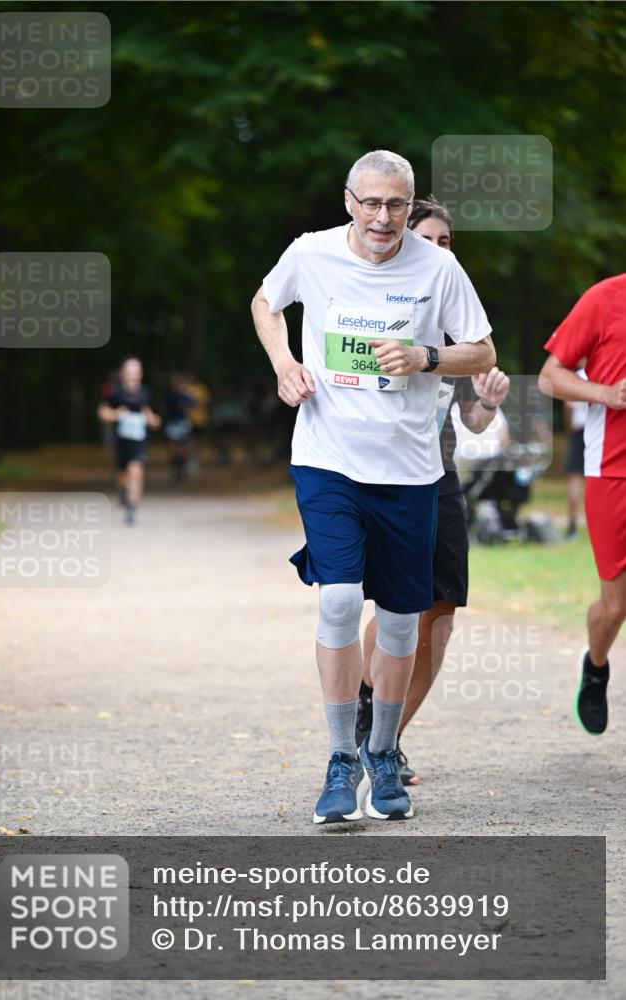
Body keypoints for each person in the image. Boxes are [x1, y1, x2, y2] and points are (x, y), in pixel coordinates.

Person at [252, 150, 495, 824]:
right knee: (335, 601)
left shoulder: (437, 267)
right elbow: (264, 302)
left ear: (407, 204)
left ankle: (381, 752)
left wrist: (426, 357)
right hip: (327, 458)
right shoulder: (312, 252)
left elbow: (481, 350)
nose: (383, 217)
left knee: (396, 619)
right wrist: (283, 362)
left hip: (410, 470)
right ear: (348, 202)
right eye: (371, 203)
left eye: (395, 204)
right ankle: (337, 761)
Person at [357, 198, 510, 785]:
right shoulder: (385, 314)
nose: (441, 251)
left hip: (441, 477)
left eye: (448, 242)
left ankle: (387, 742)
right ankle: (363, 717)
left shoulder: (460, 326)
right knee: (400, 609)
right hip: (390, 473)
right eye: (430, 239)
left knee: (440, 616)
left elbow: (470, 425)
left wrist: (489, 402)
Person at [538, 274, 626, 734]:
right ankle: (595, 665)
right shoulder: (604, 298)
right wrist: (605, 393)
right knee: (615, 606)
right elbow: (550, 376)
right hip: (612, 470)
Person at [97, 357, 161, 524]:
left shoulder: (145, 392)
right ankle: (124, 491)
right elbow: (102, 412)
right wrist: (115, 414)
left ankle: (131, 509)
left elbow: (148, 412)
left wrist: (153, 420)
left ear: (141, 374)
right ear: (123, 374)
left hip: (139, 439)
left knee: (136, 470)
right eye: (129, 370)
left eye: (136, 370)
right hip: (121, 440)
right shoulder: (115, 392)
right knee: (122, 474)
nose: (133, 374)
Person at [562, 369, 588, 539]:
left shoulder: (577, 376)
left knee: (574, 479)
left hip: (578, 430)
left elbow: (569, 405)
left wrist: (569, 427)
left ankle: (572, 526)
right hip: (599, 431)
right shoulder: (607, 372)